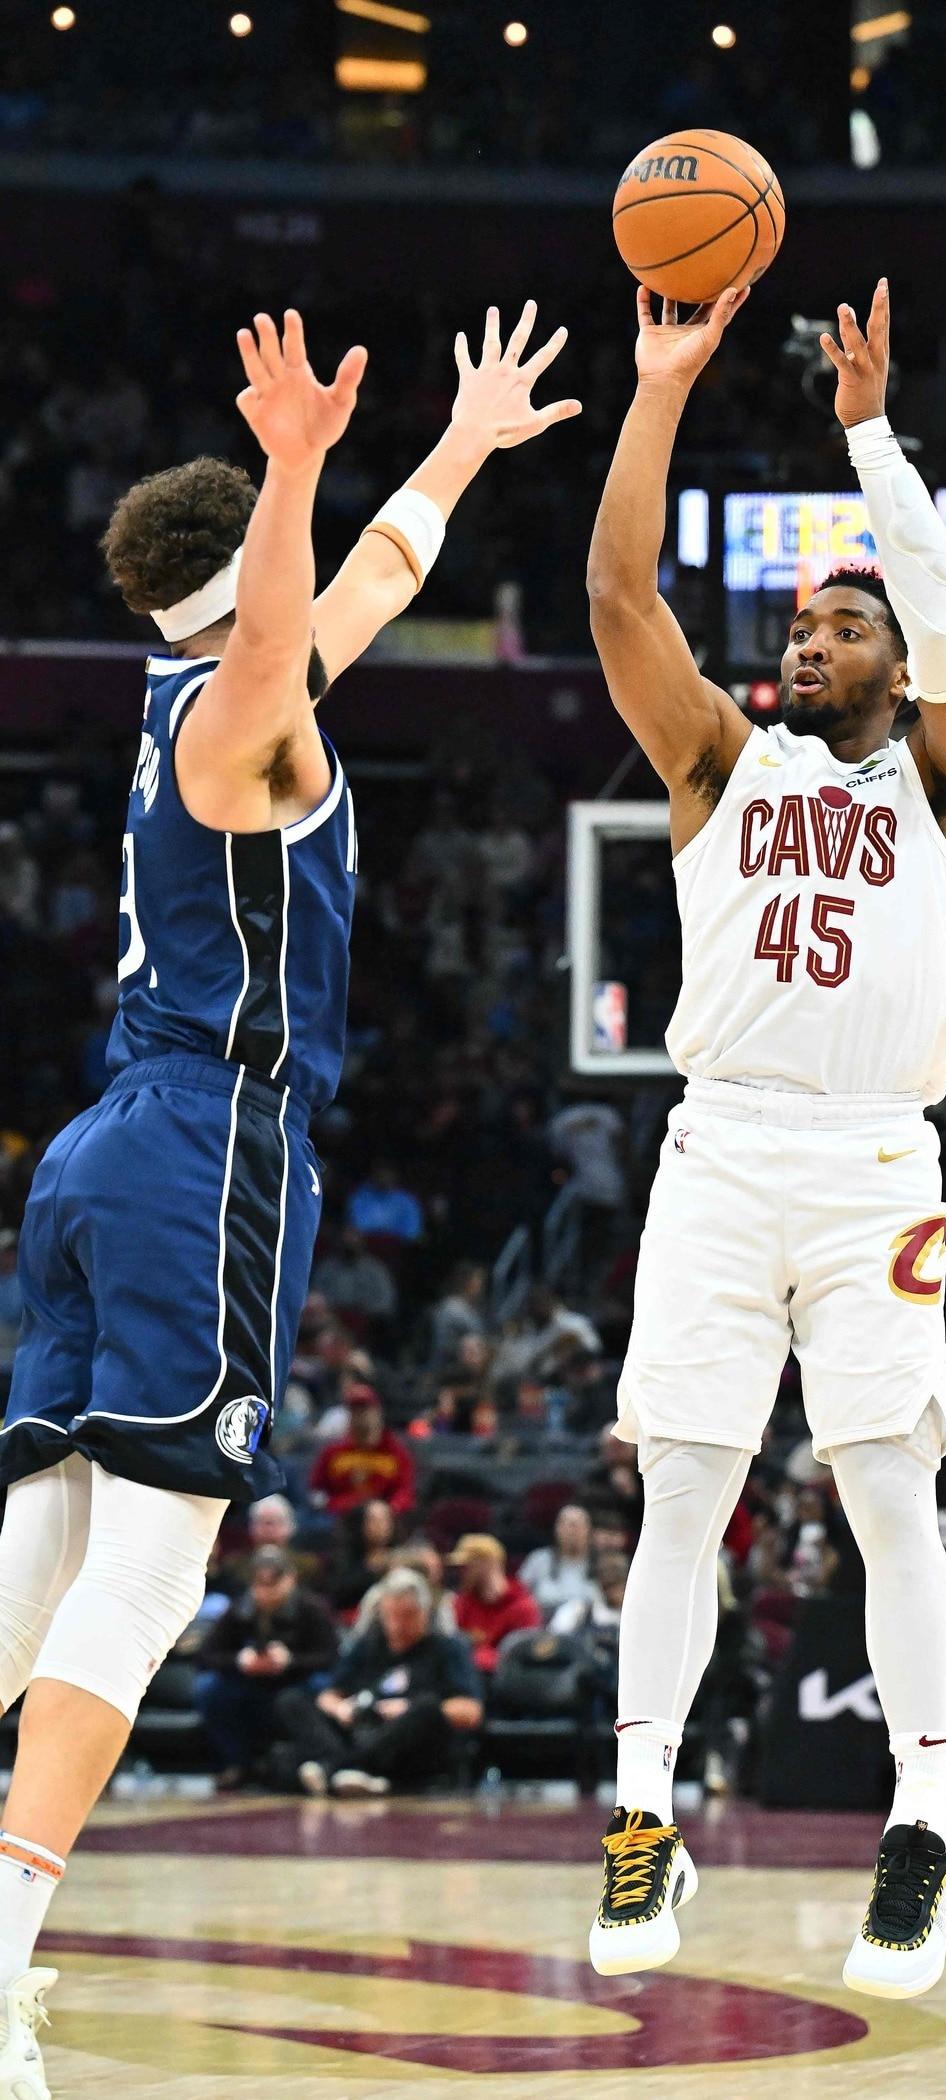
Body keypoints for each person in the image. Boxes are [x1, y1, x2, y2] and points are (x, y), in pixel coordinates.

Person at [0, 298, 578, 2092]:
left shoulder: (201, 688)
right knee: (146, 1569)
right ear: (244, 572)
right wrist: (297, 470)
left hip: (110, 1143)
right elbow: (289, 625)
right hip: (207, 1143)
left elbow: (367, 586)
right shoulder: (241, 717)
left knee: (39, 1556)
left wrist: (463, 440)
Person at [584, 279, 946, 1997]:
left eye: (846, 626)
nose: (811, 641)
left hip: (875, 1164)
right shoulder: (719, 765)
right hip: (721, 1152)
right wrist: (658, 387)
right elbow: (619, 595)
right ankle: (640, 1817)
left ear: (897, 665)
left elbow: (945, 621)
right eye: (802, 625)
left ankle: (923, 1834)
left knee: (887, 1490)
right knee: (682, 1490)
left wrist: (867, 436)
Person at [272, 1568, 482, 1797]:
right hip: (359, 1728)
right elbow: (329, 1695)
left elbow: (470, 1712)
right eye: (391, 1615)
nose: (397, 1625)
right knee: (291, 1700)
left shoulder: (449, 1648)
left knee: (427, 1708)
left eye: (407, 1616)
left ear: (425, 1613)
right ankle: (347, 1770)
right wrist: (342, 1708)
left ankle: (338, 1767)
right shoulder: (368, 1645)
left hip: (407, 1743)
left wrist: (407, 1709)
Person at [194, 1545, 340, 1787]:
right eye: (259, 1584)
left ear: (290, 1578)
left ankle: (311, 1761)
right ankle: (237, 1764)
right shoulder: (239, 1609)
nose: (266, 1592)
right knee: (209, 1689)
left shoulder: (312, 1608)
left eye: (273, 1583)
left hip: (297, 1681)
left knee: (318, 1687)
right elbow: (206, 1655)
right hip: (251, 1682)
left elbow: (330, 1657)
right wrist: (240, 1660)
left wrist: (291, 1661)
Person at [307, 1387, 416, 1517]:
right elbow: (316, 1490)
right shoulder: (333, 1452)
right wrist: (328, 1504)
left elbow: (405, 1491)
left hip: (382, 1518)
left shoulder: (396, 1452)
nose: (361, 1416)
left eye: (365, 1409)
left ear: (378, 1412)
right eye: (355, 1410)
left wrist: (391, 1508)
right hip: (340, 1517)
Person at [448, 1534, 542, 1674]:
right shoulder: (462, 1602)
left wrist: (475, 1658)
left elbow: (524, 1657)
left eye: (466, 1567)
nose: (460, 1573)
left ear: (487, 1565)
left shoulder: (523, 1607)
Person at [518, 1504, 601, 1616]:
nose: (572, 1531)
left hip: (591, 1622)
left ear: (589, 1530)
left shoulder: (602, 1563)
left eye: (577, 1526)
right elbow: (519, 1595)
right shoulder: (538, 1559)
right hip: (544, 1621)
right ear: (557, 1529)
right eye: (567, 1525)